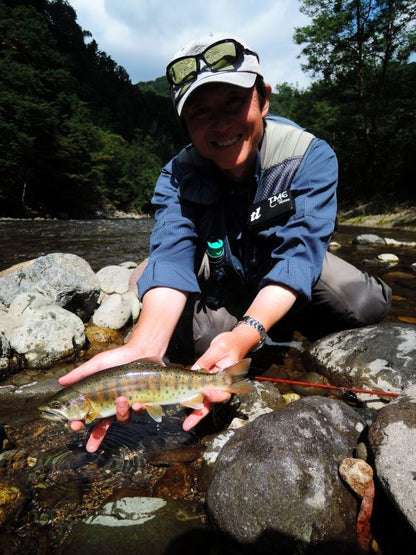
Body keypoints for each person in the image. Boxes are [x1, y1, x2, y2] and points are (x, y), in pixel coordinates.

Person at [60, 33, 391, 452]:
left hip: (291, 263)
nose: (219, 124)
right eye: (200, 112)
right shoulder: (176, 176)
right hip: (220, 274)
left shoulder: (308, 156)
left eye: (233, 102)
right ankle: (259, 322)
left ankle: (278, 317)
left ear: (263, 98)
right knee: (199, 347)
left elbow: (302, 251)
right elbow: (172, 257)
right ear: (185, 125)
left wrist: (247, 332)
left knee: (366, 306)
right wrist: (145, 344)